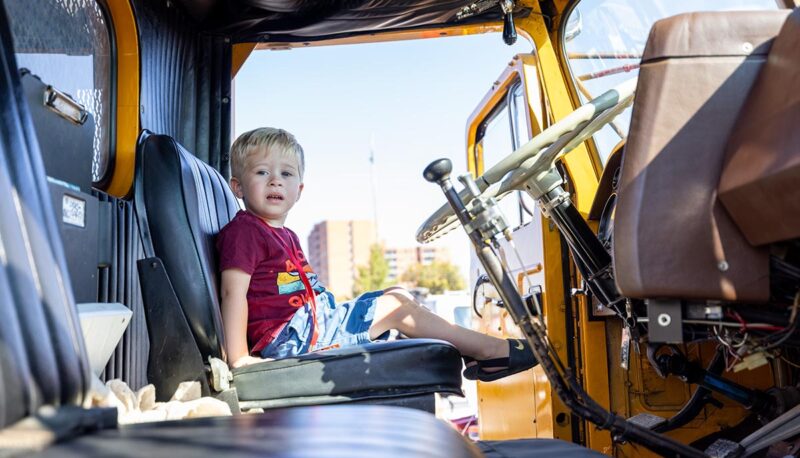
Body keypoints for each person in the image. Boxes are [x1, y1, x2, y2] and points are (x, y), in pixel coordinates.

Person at [216, 127, 537, 382]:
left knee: (397, 294)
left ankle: (470, 351)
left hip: (312, 323)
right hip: (290, 339)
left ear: (299, 190)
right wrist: (239, 359)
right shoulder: (245, 231)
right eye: (261, 172)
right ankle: (490, 350)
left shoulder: (285, 235)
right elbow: (233, 293)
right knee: (396, 307)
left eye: (286, 174)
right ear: (238, 187)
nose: (275, 180)